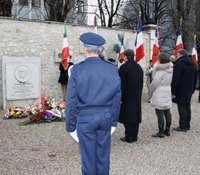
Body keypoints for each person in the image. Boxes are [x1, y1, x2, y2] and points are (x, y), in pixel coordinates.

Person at [65, 32, 121, 175]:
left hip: (86, 119)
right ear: (100, 49)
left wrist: (70, 126)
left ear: (84, 48)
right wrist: (113, 121)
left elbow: (71, 100)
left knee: (88, 159)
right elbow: (116, 98)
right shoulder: (112, 69)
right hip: (106, 117)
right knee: (103, 158)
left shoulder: (77, 70)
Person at [118, 49, 143, 143]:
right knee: (135, 116)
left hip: (127, 95)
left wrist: (120, 97)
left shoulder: (124, 67)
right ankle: (135, 136)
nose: (123, 58)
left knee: (128, 117)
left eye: (123, 56)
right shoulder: (138, 67)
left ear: (126, 56)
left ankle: (129, 136)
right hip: (136, 95)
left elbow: (122, 84)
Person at [171, 49, 197, 132]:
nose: (176, 55)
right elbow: (195, 78)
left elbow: (176, 79)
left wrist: (173, 91)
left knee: (182, 107)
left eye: (177, 54)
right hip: (189, 89)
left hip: (181, 89)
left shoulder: (179, 64)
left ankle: (182, 126)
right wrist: (193, 89)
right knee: (187, 106)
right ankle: (187, 125)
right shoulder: (193, 64)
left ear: (180, 54)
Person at [150, 53, 173, 138]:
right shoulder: (170, 69)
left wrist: (151, 92)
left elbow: (155, 83)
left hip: (159, 91)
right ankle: (167, 129)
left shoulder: (160, 71)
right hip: (167, 90)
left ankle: (161, 131)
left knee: (159, 112)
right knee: (167, 111)